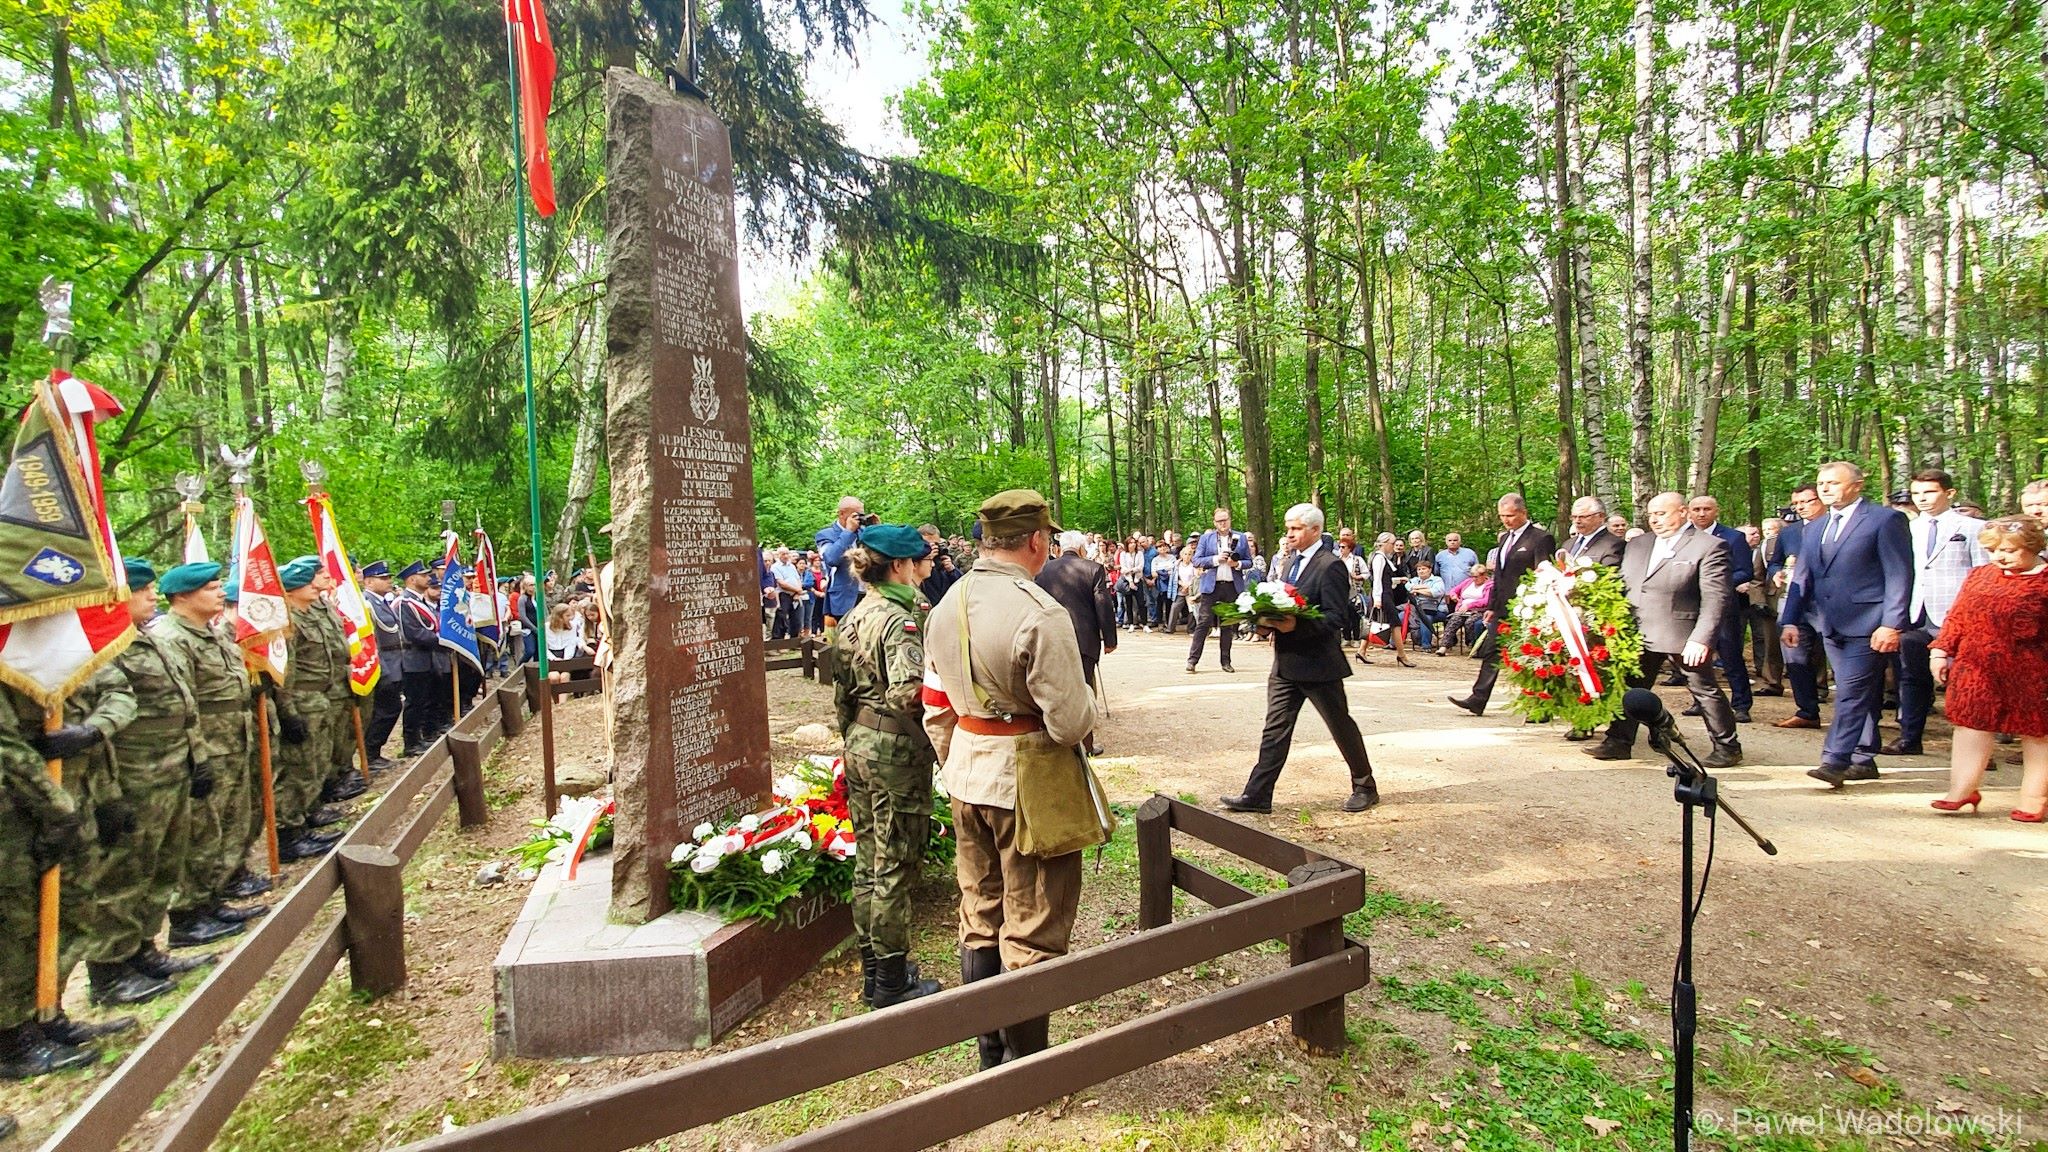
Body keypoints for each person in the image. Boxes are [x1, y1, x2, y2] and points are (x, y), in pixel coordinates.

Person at [922, 490, 1096, 1070]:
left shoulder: (945, 603)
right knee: (1033, 924)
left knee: (980, 915)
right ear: (1038, 541)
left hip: (966, 772)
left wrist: (960, 761)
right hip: (1028, 786)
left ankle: (989, 1054)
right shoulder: (1039, 611)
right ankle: (1027, 1069)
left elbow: (935, 707)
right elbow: (1070, 723)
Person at [95, 560, 225, 995]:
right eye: (143, 589)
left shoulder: (146, 640)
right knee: (124, 873)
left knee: (161, 867)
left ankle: (143, 950)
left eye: (153, 588)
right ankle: (111, 971)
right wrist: (106, 792)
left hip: (171, 768)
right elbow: (102, 725)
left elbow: (184, 705)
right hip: (134, 775)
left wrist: (197, 758)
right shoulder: (101, 649)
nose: (152, 596)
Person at [830, 524, 944, 1009]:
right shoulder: (901, 620)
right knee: (895, 864)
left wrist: (855, 737)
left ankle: (876, 969)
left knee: (869, 861)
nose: (925, 566)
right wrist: (933, 735)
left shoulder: (856, 615)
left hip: (860, 744)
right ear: (899, 566)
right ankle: (892, 982)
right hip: (895, 752)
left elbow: (841, 694)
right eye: (919, 559)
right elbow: (907, 692)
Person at [1219, 503, 1380, 814]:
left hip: (1319, 665)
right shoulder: (1291, 562)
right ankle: (1258, 795)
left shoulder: (1330, 565)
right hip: (1285, 664)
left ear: (1315, 530)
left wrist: (1295, 625)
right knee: (1274, 729)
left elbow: (1336, 618)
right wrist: (1264, 623)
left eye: (1295, 528)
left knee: (1340, 726)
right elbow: (1282, 602)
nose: (1289, 534)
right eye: (1288, 528)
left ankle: (1365, 785)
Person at [154, 562, 272, 949]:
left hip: (233, 739)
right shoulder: (173, 638)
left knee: (228, 821)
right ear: (183, 596)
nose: (221, 593)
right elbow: (185, 704)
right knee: (201, 832)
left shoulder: (211, 631)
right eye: (211, 587)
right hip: (207, 745)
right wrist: (197, 756)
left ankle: (214, 896)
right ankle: (189, 916)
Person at [1779, 461, 1913, 789]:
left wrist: (1892, 624)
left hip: (1870, 623)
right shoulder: (1814, 527)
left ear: (1856, 485)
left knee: (1851, 691)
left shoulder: (1885, 519)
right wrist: (1791, 619)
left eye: (1832, 483)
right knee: (1860, 691)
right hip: (1830, 622)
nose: (1825, 488)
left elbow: (1899, 574)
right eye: (1821, 483)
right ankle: (1863, 757)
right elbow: (1803, 577)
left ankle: (1835, 759)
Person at [1586, 493, 1744, 768]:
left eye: (1661, 513)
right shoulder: (1638, 544)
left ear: (1683, 512)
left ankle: (1727, 746)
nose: (1655, 519)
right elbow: (1621, 585)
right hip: (1637, 632)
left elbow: (1716, 598)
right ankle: (1618, 741)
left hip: (1681, 633)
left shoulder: (1709, 546)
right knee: (1632, 687)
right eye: (1651, 515)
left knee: (1703, 688)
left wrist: (1702, 638)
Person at [0, 692, 97, 1084]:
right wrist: (59, 807)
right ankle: (11, 1043)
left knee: (27, 921)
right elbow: (8, 747)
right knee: (12, 927)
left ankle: (37, 1017)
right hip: (15, 811)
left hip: (18, 810)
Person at [1927, 517, 2048, 821]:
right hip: (1976, 667)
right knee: (1970, 725)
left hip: (2033, 670)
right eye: (1993, 550)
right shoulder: (1980, 575)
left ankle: (2035, 799)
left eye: (2008, 549)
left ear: (2032, 546)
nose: (1999, 557)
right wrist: (1941, 651)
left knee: (2037, 734)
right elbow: (1958, 617)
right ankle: (1962, 790)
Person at [1891, 468, 1989, 757]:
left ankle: (1977, 749)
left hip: (1957, 613)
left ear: (1949, 493)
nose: (1922, 499)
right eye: (1917, 493)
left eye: (1930, 492)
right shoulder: (1907, 528)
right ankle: (1910, 737)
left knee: (1964, 679)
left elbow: (1982, 574)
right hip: (1915, 611)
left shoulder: (1972, 527)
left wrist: (1975, 614)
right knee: (1911, 675)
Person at [1448, 494, 1557, 716]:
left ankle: (1540, 705)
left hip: (1529, 607)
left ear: (1523, 513)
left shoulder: (1540, 538)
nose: (1506, 520)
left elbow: (1545, 574)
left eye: (1510, 516)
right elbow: (1498, 575)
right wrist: (1492, 606)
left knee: (1532, 655)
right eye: (1502, 516)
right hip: (1502, 608)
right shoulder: (1505, 539)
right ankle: (1478, 699)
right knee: (1491, 651)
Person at [275, 557, 349, 861]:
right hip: (301, 702)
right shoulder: (288, 621)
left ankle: (305, 818)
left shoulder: (311, 613)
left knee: (315, 764)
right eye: (307, 582)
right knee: (298, 769)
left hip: (321, 697)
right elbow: (284, 671)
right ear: (292, 589)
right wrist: (288, 711)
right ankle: (290, 834)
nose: (315, 585)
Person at [1036, 531, 1118, 755]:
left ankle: (1056, 741)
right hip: (1084, 641)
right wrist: (1109, 639)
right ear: (1082, 549)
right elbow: (1104, 605)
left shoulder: (1042, 570)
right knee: (1084, 690)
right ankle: (1086, 745)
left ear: (1061, 548)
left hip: (1050, 639)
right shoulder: (1093, 568)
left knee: (1054, 688)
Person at [1686, 496, 1755, 723]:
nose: (1701, 513)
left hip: (1723, 608)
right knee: (1695, 658)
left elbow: (1745, 572)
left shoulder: (1734, 538)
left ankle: (1741, 705)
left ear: (1716, 511)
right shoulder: (1684, 537)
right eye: (1696, 509)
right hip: (1690, 607)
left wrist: (1713, 583)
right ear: (1688, 512)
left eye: (1707, 509)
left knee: (1730, 656)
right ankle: (1700, 702)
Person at [1772, 486, 1829, 729]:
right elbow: (1775, 562)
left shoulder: (1835, 525)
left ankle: (1859, 719)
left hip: (1830, 604)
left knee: (1840, 661)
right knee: (1795, 658)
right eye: (1797, 503)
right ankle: (1806, 711)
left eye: (1808, 501)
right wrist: (1776, 574)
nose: (1802, 506)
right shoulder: (1789, 533)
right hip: (1795, 604)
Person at [1187, 507, 1253, 674]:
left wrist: (1236, 564)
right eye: (1219, 521)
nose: (1223, 523)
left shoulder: (1241, 537)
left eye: (1225, 520)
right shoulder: (1206, 538)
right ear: (1214, 522)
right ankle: (1192, 660)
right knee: (1203, 623)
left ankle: (1226, 661)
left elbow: (1249, 562)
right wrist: (1216, 559)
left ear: (1230, 520)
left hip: (1232, 586)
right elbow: (1196, 560)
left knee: (1227, 625)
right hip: (1211, 586)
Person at [396, 560, 444, 756]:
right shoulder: (405, 603)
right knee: (414, 702)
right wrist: (441, 640)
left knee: (427, 698)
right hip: (413, 657)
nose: (428, 578)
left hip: (427, 656)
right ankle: (411, 742)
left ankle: (423, 735)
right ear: (412, 579)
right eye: (423, 576)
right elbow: (414, 632)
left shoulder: (420, 601)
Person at [360, 561, 405, 768]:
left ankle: (373, 752)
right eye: (383, 578)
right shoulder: (366, 603)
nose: (389, 581)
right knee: (385, 709)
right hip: (382, 663)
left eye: (388, 577)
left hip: (394, 660)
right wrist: (382, 669)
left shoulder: (381, 601)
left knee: (390, 708)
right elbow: (372, 641)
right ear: (369, 581)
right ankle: (371, 753)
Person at [815, 496, 873, 631]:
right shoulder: (825, 535)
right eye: (856, 515)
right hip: (844, 597)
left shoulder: (864, 533)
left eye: (861, 515)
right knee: (846, 643)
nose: (859, 518)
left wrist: (876, 529)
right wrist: (848, 532)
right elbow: (831, 559)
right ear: (842, 514)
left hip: (868, 594)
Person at [1363, 533, 1413, 667]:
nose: (1393, 547)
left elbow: (1385, 578)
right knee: (1395, 624)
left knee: (1373, 622)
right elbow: (1377, 579)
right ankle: (1401, 655)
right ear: (1385, 543)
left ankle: (1361, 651)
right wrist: (1377, 598)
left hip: (1385, 593)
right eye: (1392, 544)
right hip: (1383, 595)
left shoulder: (1383, 557)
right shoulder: (1379, 558)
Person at [1440, 563, 1494, 653]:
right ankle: (1444, 646)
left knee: (1470, 622)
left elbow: (1486, 601)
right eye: (1472, 576)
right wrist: (1454, 596)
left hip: (1479, 611)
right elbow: (1454, 590)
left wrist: (1469, 605)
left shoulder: (1490, 585)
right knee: (1453, 621)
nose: (1474, 579)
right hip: (1462, 610)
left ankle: (1471, 644)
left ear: (1484, 575)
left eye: (1476, 577)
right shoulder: (1468, 582)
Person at [1562, 496, 1625, 567]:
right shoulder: (1568, 544)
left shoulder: (1614, 545)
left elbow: (1609, 574)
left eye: (1583, 517)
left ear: (1601, 516)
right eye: (1574, 517)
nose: (1577, 521)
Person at [1407, 560, 1449, 651]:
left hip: (1437, 610)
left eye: (1423, 569)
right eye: (1419, 569)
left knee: (1425, 618)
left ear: (1430, 570)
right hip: (1418, 609)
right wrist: (1427, 588)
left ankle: (1426, 645)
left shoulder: (1438, 580)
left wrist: (1417, 591)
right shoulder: (1414, 580)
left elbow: (1435, 593)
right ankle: (1394, 643)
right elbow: (1408, 587)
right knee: (1402, 616)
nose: (1421, 571)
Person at [769, 548, 804, 640]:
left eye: (787, 554)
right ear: (778, 555)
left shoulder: (792, 566)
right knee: (781, 619)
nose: (785, 556)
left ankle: (794, 641)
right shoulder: (775, 567)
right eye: (783, 554)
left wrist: (798, 592)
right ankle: (778, 642)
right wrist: (797, 590)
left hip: (795, 595)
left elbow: (798, 579)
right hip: (783, 595)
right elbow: (781, 583)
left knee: (796, 619)